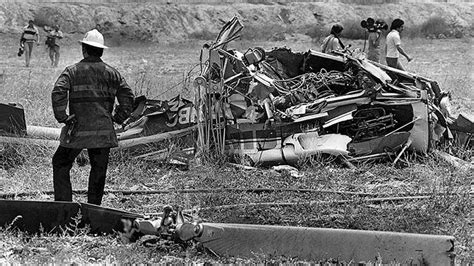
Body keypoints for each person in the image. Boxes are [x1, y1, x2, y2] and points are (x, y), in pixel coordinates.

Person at [51, 29, 134, 205]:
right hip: (103, 133)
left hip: (78, 131)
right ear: (101, 51)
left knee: (60, 163)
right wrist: (118, 118)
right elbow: (128, 97)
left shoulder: (72, 72)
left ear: (84, 49)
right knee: (98, 169)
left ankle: (65, 207)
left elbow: (58, 91)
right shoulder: (113, 73)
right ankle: (93, 210)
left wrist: (63, 117)